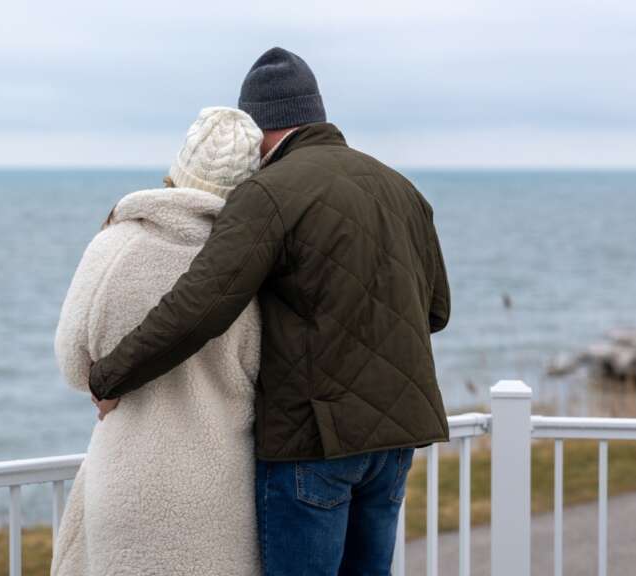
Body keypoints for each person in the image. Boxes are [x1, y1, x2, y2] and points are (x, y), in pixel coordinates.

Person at [89, 47, 451, 575]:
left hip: (316, 440)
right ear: (316, 113)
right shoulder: (402, 188)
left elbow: (201, 306)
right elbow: (436, 311)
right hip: (395, 440)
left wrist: (111, 376)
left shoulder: (268, 193)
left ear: (259, 130)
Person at [51, 107, 264, 576]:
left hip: (126, 481)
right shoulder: (252, 263)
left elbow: (72, 365)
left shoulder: (115, 246)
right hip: (223, 487)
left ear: (179, 167)